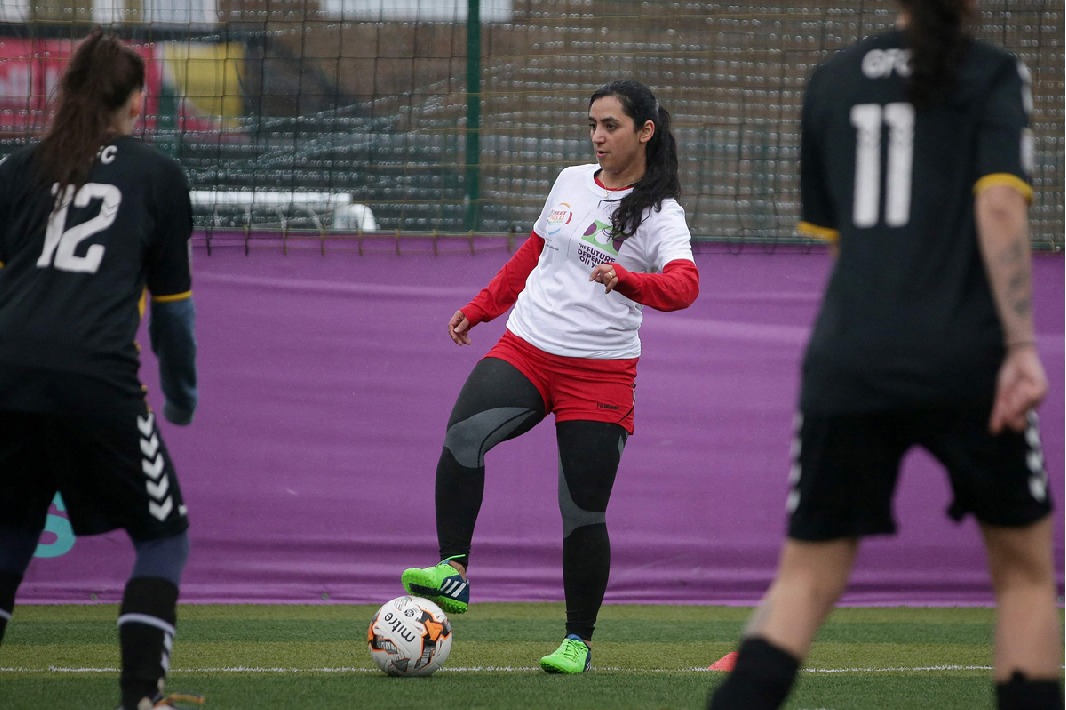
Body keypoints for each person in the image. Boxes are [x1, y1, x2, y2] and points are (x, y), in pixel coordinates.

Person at [708, 1, 1061, 708]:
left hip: (852, 359)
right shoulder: (993, 72)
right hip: (968, 362)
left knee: (804, 581)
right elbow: (999, 208)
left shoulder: (831, 79)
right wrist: (1021, 347)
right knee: (1024, 579)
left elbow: (840, 241)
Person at [401, 79, 699, 673]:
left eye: (610, 126)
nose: (597, 137)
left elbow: (684, 286)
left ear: (645, 131)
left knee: (582, 511)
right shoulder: (570, 180)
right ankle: (452, 570)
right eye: (592, 125)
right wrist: (482, 307)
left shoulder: (661, 213)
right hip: (528, 349)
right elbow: (532, 254)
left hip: (600, 375)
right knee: (462, 438)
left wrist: (628, 278)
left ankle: (576, 641)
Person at [0, 30, 201, 710]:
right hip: (96, 379)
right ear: (137, 100)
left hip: (9, 376)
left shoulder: (17, 169)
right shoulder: (159, 176)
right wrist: (181, 396)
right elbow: (173, 315)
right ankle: (141, 697)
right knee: (164, 536)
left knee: (10, 532)